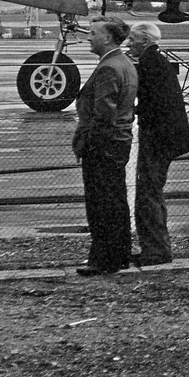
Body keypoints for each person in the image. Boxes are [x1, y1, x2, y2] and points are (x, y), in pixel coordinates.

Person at [71, 16, 138, 274]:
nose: (88, 37)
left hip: (103, 144)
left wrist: (88, 144)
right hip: (118, 142)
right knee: (116, 201)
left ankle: (103, 259)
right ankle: (118, 255)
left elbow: (103, 114)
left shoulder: (109, 67)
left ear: (107, 38)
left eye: (92, 33)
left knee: (101, 204)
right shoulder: (124, 63)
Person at [125, 22, 189, 267]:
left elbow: (151, 104)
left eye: (132, 39)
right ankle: (156, 247)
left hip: (157, 138)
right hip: (167, 136)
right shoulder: (156, 63)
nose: (128, 43)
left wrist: (130, 112)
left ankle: (156, 249)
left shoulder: (148, 66)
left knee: (148, 193)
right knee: (151, 192)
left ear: (145, 41)